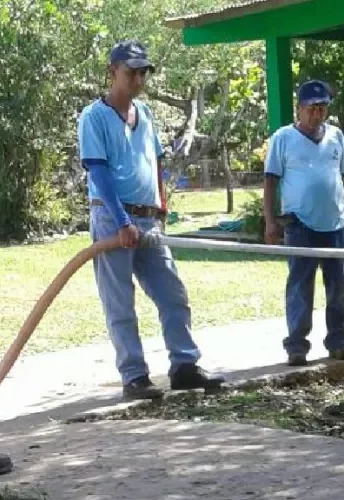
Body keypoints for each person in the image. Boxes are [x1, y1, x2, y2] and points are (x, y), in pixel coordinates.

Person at [77, 40, 223, 400]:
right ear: (113, 72)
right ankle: (134, 376)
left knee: (173, 293)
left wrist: (160, 207)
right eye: (132, 72)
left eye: (143, 73)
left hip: (147, 219)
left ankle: (185, 367)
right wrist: (121, 219)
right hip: (113, 219)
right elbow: (98, 172)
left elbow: (155, 162)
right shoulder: (93, 117)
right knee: (120, 302)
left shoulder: (145, 114)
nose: (139, 79)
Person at [262, 80, 344, 367]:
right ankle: (296, 346)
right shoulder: (282, 138)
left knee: (339, 286)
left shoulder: (336, 137)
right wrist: (270, 221)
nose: (316, 114)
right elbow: (270, 181)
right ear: (299, 109)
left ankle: (339, 341)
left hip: (336, 222)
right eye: (311, 109)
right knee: (300, 284)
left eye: (321, 109)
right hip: (300, 224)